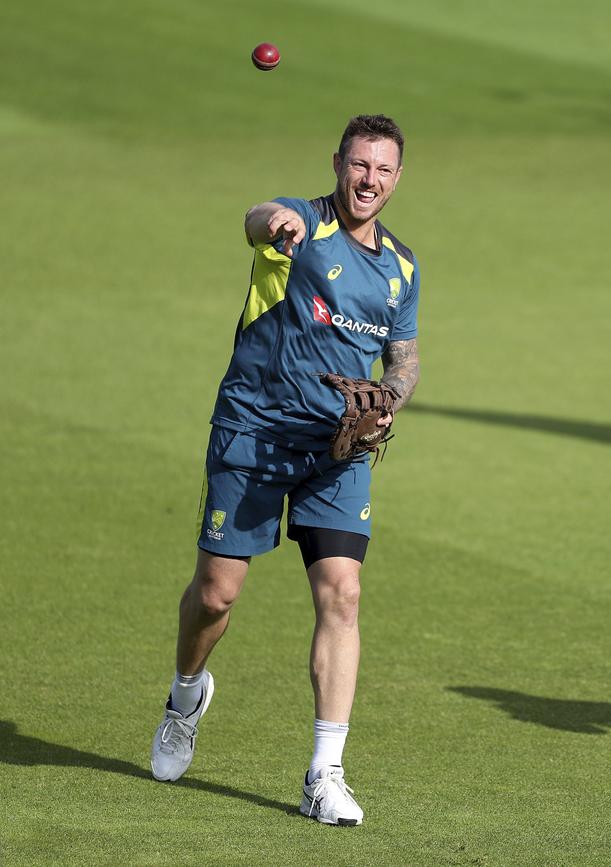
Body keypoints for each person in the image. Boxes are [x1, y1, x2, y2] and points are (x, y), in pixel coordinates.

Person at [150, 114, 420, 826]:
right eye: (359, 165)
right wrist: (275, 223)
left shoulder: (402, 268)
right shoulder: (302, 224)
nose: (370, 180)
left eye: (384, 169)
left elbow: (404, 359)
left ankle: (324, 773)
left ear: (398, 178)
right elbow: (255, 217)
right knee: (215, 595)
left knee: (343, 593)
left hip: (335, 450)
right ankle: (185, 697)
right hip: (255, 431)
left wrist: (390, 402)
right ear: (338, 163)